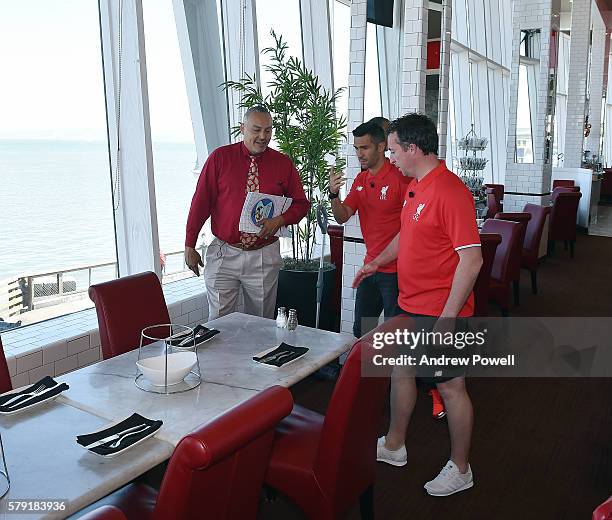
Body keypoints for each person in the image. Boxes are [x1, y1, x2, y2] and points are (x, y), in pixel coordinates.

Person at [353, 113, 482, 496]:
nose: (389, 157)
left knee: (452, 388)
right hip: (411, 305)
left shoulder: (449, 190)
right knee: (401, 372)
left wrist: (447, 317)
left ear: (412, 148)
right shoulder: (416, 186)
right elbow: (404, 238)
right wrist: (376, 261)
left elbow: (472, 260)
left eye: (393, 150)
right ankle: (394, 445)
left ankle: (461, 468)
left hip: (442, 311)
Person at [184, 105, 309, 320]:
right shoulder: (220, 158)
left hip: (263, 254)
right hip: (224, 252)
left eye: (268, 130)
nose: (263, 136)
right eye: (256, 129)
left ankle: (258, 355)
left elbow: (301, 204)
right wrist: (189, 244)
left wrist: (279, 220)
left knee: (260, 323)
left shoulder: (283, 164)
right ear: (242, 128)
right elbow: (200, 203)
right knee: (219, 323)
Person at [329, 121, 410, 339]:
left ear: (381, 146)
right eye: (356, 148)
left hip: (396, 271)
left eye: (364, 148)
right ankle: (367, 373)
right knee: (361, 331)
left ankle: (394, 373)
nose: (359, 154)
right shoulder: (361, 179)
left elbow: (414, 225)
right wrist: (334, 195)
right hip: (370, 267)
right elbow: (343, 216)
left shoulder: (401, 177)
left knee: (395, 335)